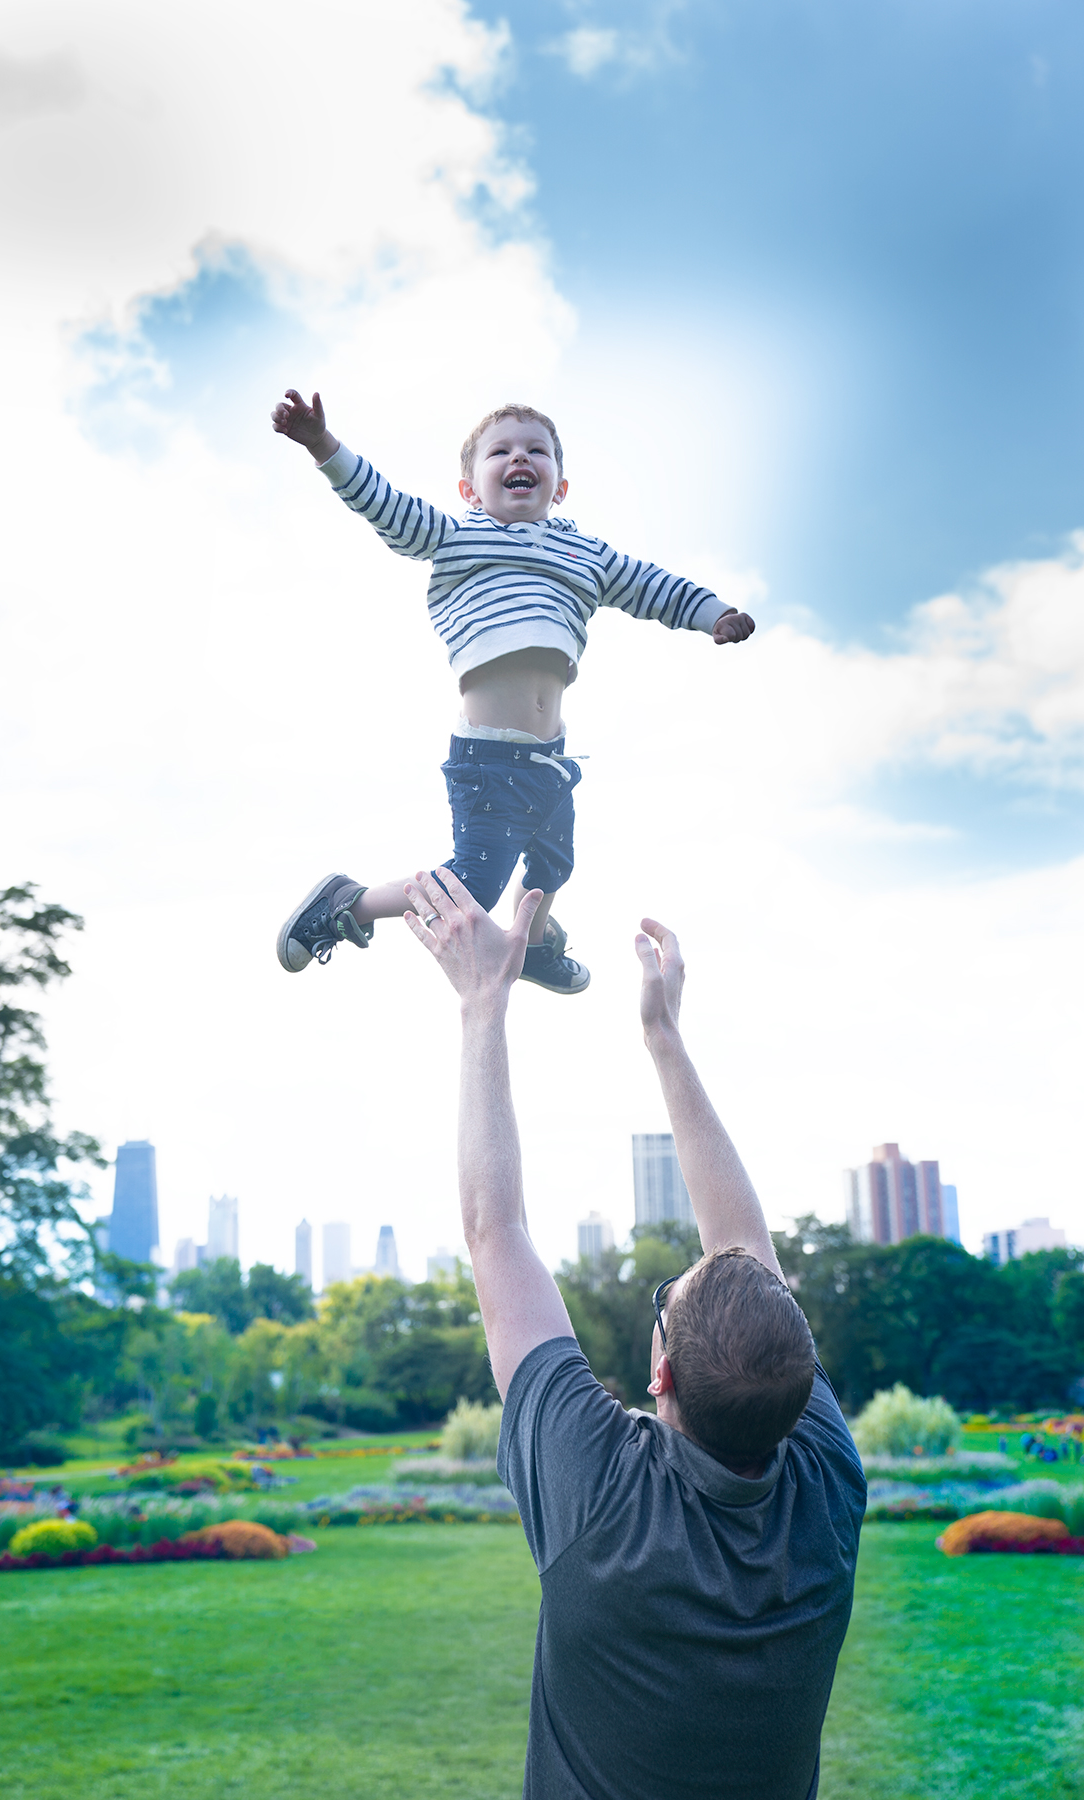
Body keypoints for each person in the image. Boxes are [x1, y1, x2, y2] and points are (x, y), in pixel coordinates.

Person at [403, 866, 866, 1800]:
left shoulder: (605, 1501)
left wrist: (483, 1001)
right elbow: (741, 1255)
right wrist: (662, 1040)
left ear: (661, 1371)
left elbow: (495, 1229)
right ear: (799, 1377)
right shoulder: (821, 1494)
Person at [270, 392, 755, 995]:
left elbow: (652, 586)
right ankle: (350, 902)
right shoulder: (457, 537)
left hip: (550, 757)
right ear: (471, 489)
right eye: (500, 451)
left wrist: (713, 613)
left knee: (555, 864)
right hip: (491, 757)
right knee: (475, 883)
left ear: (560, 485)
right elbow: (387, 506)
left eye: (536, 450)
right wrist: (322, 444)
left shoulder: (586, 555)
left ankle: (531, 945)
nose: (518, 457)